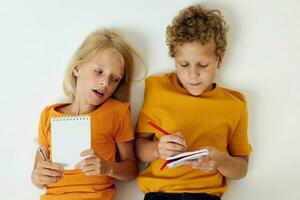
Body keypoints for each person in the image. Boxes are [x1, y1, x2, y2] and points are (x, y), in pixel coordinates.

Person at [135, 4, 252, 200]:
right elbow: (139, 147)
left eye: (203, 65)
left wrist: (221, 162)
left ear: (219, 60)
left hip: (205, 195)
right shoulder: (157, 89)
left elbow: (241, 169)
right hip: (160, 194)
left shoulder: (234, 105)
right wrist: (157, 149)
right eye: (184, 64)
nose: (193, 74)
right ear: (174, 59)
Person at [31, 29, 139, 200]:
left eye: (115, 79)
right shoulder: (48, 115)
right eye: (99, 71)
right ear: (77, 68)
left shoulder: (117, 112)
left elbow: (132, 169)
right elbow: (37, 176)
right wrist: (37, 176)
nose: (105, 82)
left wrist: (108, 168)